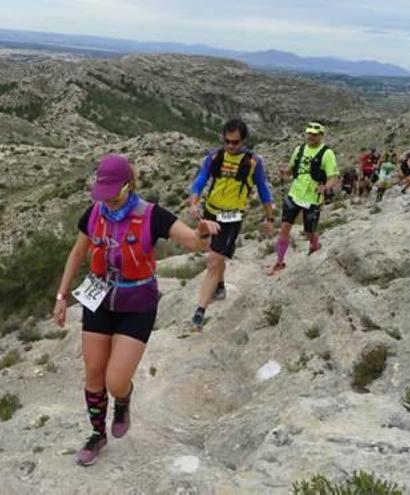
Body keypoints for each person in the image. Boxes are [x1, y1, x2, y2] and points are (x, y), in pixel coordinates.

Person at [53, 154, 220, 467]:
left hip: (137, 304)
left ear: (128, 184)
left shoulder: (152, 215)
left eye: (113, 192)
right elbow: (77, 253)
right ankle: (96, 434)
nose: (108, 200)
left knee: (116, 382)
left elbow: (195, 244)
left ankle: (123, 400)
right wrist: (62, 296)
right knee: (93, 372)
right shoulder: (94, 214)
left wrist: (203, 233)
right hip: (98, 298)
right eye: (103, 193)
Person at [186, 119, 274, 330]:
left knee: (214, 261)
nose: (231, 146)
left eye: (235, 142)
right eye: (227, 141)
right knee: (214, 253)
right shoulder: (215, 156)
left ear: (243, 140)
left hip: (232, 218)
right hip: (210, 213)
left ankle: (200, 311)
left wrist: (269, 218)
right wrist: (193, 202)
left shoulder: (253, 162)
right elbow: (200, 180)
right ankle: (220, 285)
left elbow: (263, 191)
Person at [269, 122, 339, 275]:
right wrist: (284, 173)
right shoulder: (299, 150)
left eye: (314, 134)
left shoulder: (327, 154)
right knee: (285, 228)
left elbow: (333, 177)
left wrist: (325, 187)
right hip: (294, 194)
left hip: (312, 199)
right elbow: (290, 170)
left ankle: (314, 245)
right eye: (309, 133)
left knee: (309, 232)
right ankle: (280, 262)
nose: (311, 136)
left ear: (321, 135)